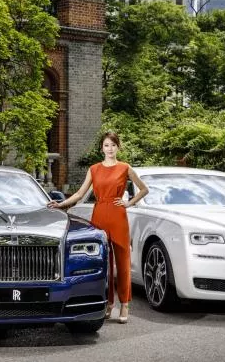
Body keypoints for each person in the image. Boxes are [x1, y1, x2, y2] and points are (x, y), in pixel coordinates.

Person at [48, 131, 149, 324]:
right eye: (106, 145)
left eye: (113, 145)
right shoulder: (94, 169)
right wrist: (61, 204)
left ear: (118, 147)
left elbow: (144, 189)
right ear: (101, 148)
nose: (109, 149)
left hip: (118, 216)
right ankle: (108, 304)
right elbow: (79, 193)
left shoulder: (125, 168)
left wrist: (129, 203)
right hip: (99, 214)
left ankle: (125, 304)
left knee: (123, 262)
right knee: (104, 263)